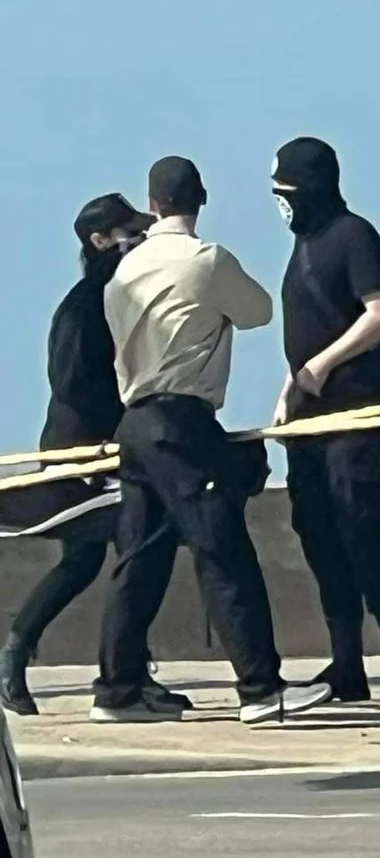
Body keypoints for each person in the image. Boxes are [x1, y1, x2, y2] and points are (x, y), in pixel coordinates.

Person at [91, 156, 332, 724]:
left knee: (139, 559)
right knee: (222, 550)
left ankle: (118, 689)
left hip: (135, 424)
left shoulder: (122, 273)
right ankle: (259, 689)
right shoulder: (206, 259)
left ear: (152, 205)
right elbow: (258, 312)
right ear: (200, 201)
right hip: (182, 419)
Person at [0, 194, 190, 716]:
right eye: (130, 232)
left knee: (105, 557)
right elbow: (71, 382)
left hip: (104, 449)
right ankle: (20, 658)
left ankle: (119, 669)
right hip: (84, 455)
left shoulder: (117, 295)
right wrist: (112, 430)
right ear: (100, 241)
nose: (141, 238)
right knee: (135, 549)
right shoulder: (89, 302)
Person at [271, 137, 380, 702]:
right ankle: (347, 664)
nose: (281, 204)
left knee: (359, 531)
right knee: (318, 535)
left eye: (287, 193)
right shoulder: (305, 246)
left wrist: (321, 365)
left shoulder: (354, 235)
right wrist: (289, 390)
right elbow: (310, 328)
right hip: (308, 421)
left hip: (354, 413)